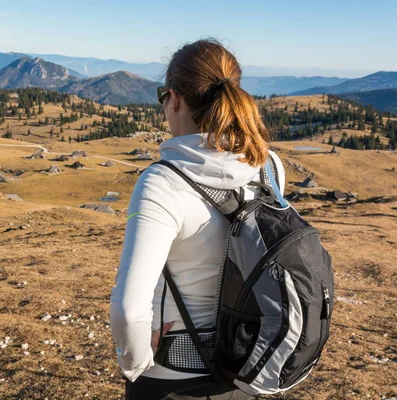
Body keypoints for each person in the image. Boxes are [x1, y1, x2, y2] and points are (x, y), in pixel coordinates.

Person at [109, 39, 286, 400]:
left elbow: (128, 309)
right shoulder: (269, 168)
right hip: (249, 367)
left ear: (174, 99)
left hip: (173, 375)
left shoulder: (163, 183)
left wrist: (137, 364)